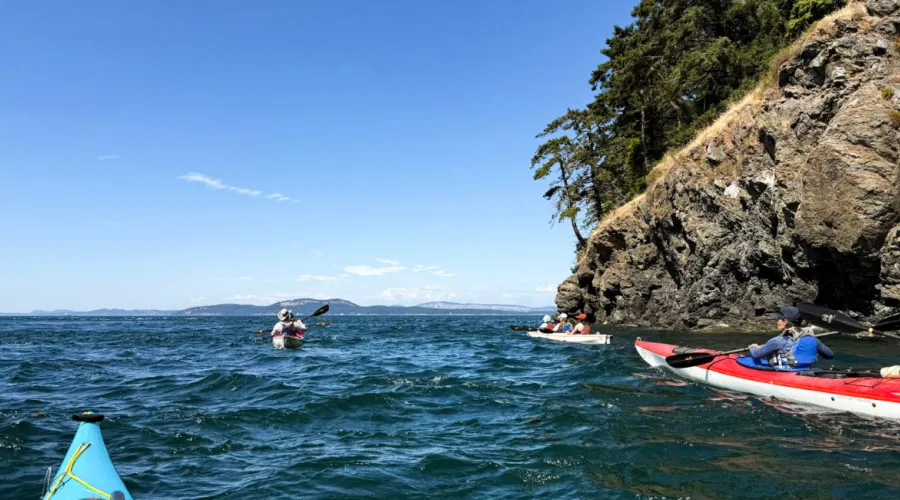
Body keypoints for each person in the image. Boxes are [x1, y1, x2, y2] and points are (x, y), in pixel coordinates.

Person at [747, 305, 833, 369]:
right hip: (806, 372)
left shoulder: (778, 341)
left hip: (785, 374)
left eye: (779, 318)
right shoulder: (812, 339)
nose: (777, 321)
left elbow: (756, 354)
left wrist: (753, 347)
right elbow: (829, 355)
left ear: (784, 321)